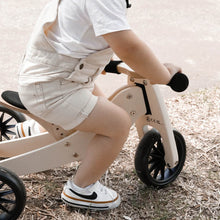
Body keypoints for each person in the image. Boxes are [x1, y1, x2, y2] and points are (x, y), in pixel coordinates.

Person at [17, 0, 181, 210]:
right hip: (54, 88)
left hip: (49, 77)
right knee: (118, 123)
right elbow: (129, 47)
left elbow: (83, 31)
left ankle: (34, 130)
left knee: (101, 107)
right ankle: (81, 189)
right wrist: (164, 76)